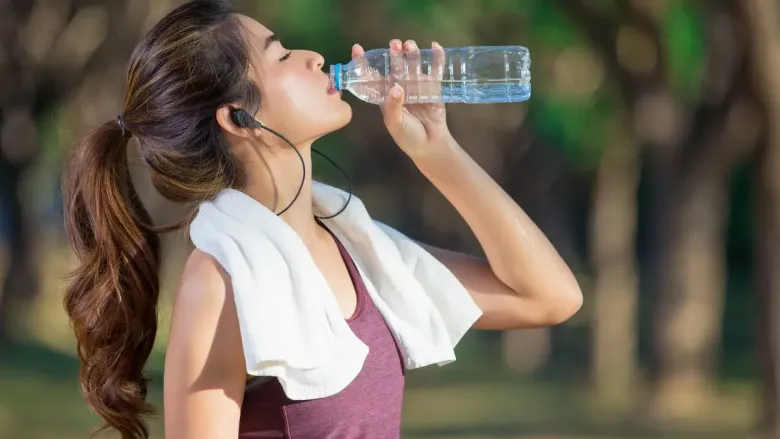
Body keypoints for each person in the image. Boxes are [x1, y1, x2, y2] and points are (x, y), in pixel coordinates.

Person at [61, 1, 582, 438]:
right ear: (239, 117)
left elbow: (549, 296)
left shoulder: (360, 250)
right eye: (282, 54)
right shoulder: (221, 279)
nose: (313, 57)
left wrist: (437, 150)